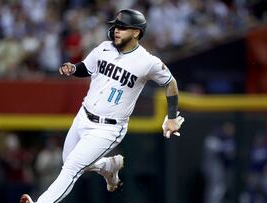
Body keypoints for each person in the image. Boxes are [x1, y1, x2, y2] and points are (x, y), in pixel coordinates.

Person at [20, 9, 185, 203]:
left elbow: (170, 83)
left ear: (136, 32)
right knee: (70, 160)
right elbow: (86, 68)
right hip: (83, 115)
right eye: (116, 26)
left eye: (123, 27)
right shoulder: (104, 47)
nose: (116, 30)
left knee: (72, 166)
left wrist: (172, 117)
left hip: (108, 127)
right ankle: (108, 166)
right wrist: (73, 69)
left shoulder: (147, 62)